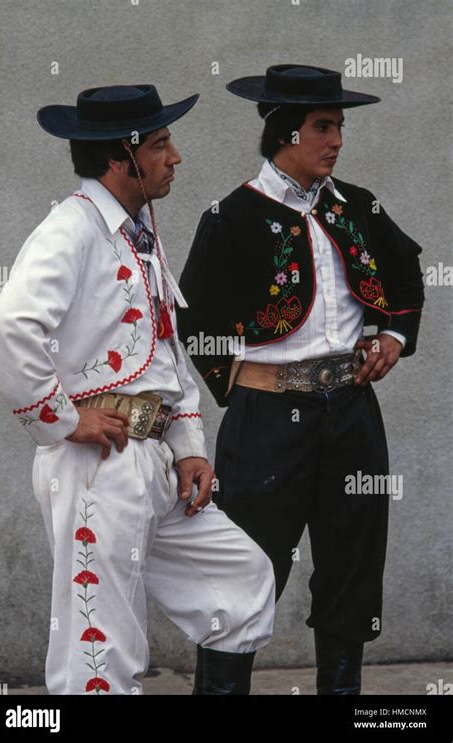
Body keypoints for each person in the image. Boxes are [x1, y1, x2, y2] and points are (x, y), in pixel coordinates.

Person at [0, 83, 275, 695]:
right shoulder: (72, 228)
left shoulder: (138, 229)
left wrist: (190, 440)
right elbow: (7, 327)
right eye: (162, 144)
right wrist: (64, 421)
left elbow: (165, 344)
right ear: (122, 157)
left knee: (240, 582)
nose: (176, 157)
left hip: (154, 458)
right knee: (100, 650)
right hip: (97, 464)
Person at [177, 65, 425, 695]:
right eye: (323, 126)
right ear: (286, 131)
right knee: (243, 575)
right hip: (266, 424)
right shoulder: (231, 216)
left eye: (339, 126)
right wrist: (240, 380)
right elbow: (194, 317)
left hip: (352, 415)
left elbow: (405, 271)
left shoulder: (357, 206)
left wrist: (392, 337)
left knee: (351, 570)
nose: (336, 139)